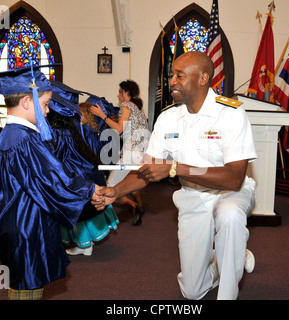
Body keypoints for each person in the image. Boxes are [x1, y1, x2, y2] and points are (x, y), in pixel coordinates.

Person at [94, 51, 257, 300]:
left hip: (230, 193)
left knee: (230, 216)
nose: (172, 81)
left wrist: (176, 168)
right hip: (192, 197)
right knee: (192, 292)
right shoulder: (168, 119)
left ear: (203, 79)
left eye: (179, 76)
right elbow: (147, 170)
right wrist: (116, 192)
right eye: (172, 75)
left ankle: (228, 290)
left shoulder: (231, 114)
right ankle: (233, 257)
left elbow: (234, 177)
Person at [0, 65, 102, 300]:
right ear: (26, 101)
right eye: (45, 104)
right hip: (26, 226)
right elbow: (52, 178)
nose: (47, 112)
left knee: (24, 286)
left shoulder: (10, 134)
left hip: (17, 221)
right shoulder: (24, 139)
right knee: (27, 290)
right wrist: (91, 189)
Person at [48, 81, 119, 256]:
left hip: (77, 176)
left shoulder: (58, 133)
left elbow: (57, 160)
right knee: (84, 211)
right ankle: (85, 245)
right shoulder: (71, 129)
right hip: (88, 172)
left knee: (77, 211)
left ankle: (83, 245)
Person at [91, 80, 149, 226]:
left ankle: (134, 206)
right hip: (142, 152)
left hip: (132, 153)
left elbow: (118, 129)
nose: (118, 95)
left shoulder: (126, 105)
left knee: (109, 187)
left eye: (119, 91)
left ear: (126, 93)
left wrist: (101, 115)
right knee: (130, 182)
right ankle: (137, 205)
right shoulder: (138, 109)